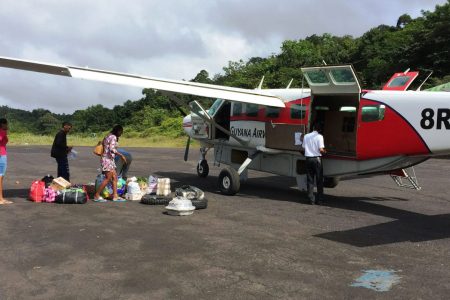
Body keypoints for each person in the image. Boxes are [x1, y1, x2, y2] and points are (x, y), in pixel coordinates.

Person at [94, 125, 127, 202]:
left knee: (115, 177)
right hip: (107, 160)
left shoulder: (108, 135)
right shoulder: (113, 137)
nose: (121, 134)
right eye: (121, 132)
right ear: (118, 131)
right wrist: (121, 155)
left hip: (108, 159)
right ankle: (97, 195)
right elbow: (112, 149)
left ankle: (115, 196)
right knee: (108, 178)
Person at [302, 123, 326, 205]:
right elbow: (321, 149)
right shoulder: (320, 137)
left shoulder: (306, 136)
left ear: (313, 128)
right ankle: (320, 200)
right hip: (317, 159)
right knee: (319, 180)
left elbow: (304, 147)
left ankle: (311, 199)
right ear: (320, 130)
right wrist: (325, 152)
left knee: (310, 179)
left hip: (308, 159)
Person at [0, 118, 12, 204]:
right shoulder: (2, 132)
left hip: (2, 155)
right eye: (6, 124)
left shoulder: (3, 131)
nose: (7, 125)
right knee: (0, 177)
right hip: (1, 155)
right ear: (2, 124)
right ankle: (1, 199)